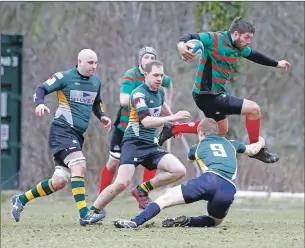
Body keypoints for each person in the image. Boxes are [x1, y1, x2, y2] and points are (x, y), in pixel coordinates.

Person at [157, 17, 291, 164]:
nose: (248, 41)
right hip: (207, 94)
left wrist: (277, 63)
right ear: (235, 34)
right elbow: (190, 37)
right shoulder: (214, 39)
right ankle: (256, 150)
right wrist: (181, 45)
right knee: (253, 110)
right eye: (246, 37)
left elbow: (254, 56)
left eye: (250, 38)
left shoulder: (237, 48)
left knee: (220, 130)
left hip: (212, 95)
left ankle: (174, 129)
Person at [11, 49, 111, 226]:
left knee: (59, 182)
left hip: (77, 136)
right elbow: (40, 89)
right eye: (90, 62)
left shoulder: (96, 82)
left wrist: (102, 115)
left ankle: (20, 199)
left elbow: (97, 102)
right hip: (62, 131)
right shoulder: (64, 77)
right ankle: (84, 214)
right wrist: (40, 103)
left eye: (96, 62)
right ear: (79, 62)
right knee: (79, 165)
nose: (94, 66)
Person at [112, 118, 266, 228]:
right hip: (228, 189)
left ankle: (134, 222)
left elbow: (190, 159)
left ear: (200, 133)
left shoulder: (196, 147)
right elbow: (253, 150)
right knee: (216, 221)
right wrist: (261, 141)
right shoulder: (232, 144)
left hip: (208, 180)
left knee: (164, 200)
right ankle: (188, 221)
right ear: (217, 132)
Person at [91, 60, 190, 214]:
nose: (159, 79)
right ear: (145, 75)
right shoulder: (138, 94)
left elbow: (164, 108)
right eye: (155, 75)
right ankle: (92, 211)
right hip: (134, 143)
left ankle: (141, 190)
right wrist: (171, 118)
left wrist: (175, 124)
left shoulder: (160, 92)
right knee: (121, 183)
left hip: (151, 145)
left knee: (178, 170)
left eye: (161, 75)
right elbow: (147, 122)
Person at [98, 47, 173, 197]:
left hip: (147, 128)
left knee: (152, 162)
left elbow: (169, 84)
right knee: (113, 164)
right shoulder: (131, 75)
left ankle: (143, 196)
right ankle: (101, 196)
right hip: (126, 128)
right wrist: (141, 97)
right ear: (140, 60)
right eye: (146, 57)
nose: (149, 60)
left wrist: (166, 106)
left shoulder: (157, 76)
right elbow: (124, 100)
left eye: (152, 58)